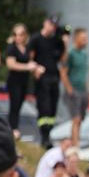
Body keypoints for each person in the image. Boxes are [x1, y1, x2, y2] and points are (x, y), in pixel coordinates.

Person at [27, 17, 65, 147]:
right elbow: (29, 58)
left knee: (53, 109)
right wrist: (35, 69)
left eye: (54, 26)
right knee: (44, 107)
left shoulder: (56, 41)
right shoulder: (36, 39)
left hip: (54, 77)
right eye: (50, 24)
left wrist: (64, 42)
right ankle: (44, 136)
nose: (52, 28)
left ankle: (49, 135)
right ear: (45, 23)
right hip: (42, 78)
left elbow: (61, 58)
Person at [2, 24, 36, 138]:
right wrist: (27, 67)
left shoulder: (27, 48)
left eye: (21, 35)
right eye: (16, 34)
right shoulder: (11, 48)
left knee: (20, 103)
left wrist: (35, 67)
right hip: (14, 80)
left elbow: (31, 62)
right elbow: (11, 65)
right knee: (14, 104)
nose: (18, 37)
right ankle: (13, 128)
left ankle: (15, 127)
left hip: (24, 80)